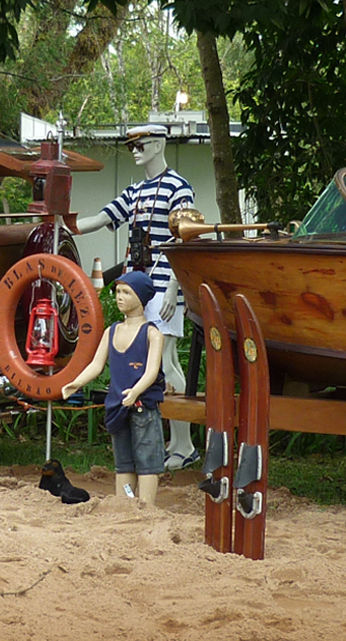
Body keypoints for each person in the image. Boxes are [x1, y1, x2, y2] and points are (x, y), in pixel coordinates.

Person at [73, 124, 200, 471]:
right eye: (132, 146)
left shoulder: (178, 187)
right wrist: (64, 225)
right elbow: (103, 218)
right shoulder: (135, 191)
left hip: (163, 286)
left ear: (158, 144)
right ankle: (178, 442)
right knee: (155, 362)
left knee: (166, 361)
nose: (135, 151)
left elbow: (185, 237)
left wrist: (174, 285)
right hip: (139, 287)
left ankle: (185, 444)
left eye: (140, 144)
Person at [61, 270, 167, 506]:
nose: (120, 297)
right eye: (118, 291)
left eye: (127, 292)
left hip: (143, 407)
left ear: (141, 297)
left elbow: (152, 372)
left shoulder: (152, 334)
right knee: (124, 462)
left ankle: (146, 506)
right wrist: (77, 382)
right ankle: (124, 504)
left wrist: (136, 391)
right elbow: (96, 365)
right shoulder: (111, 331)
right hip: (118, 407)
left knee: (147, 461)